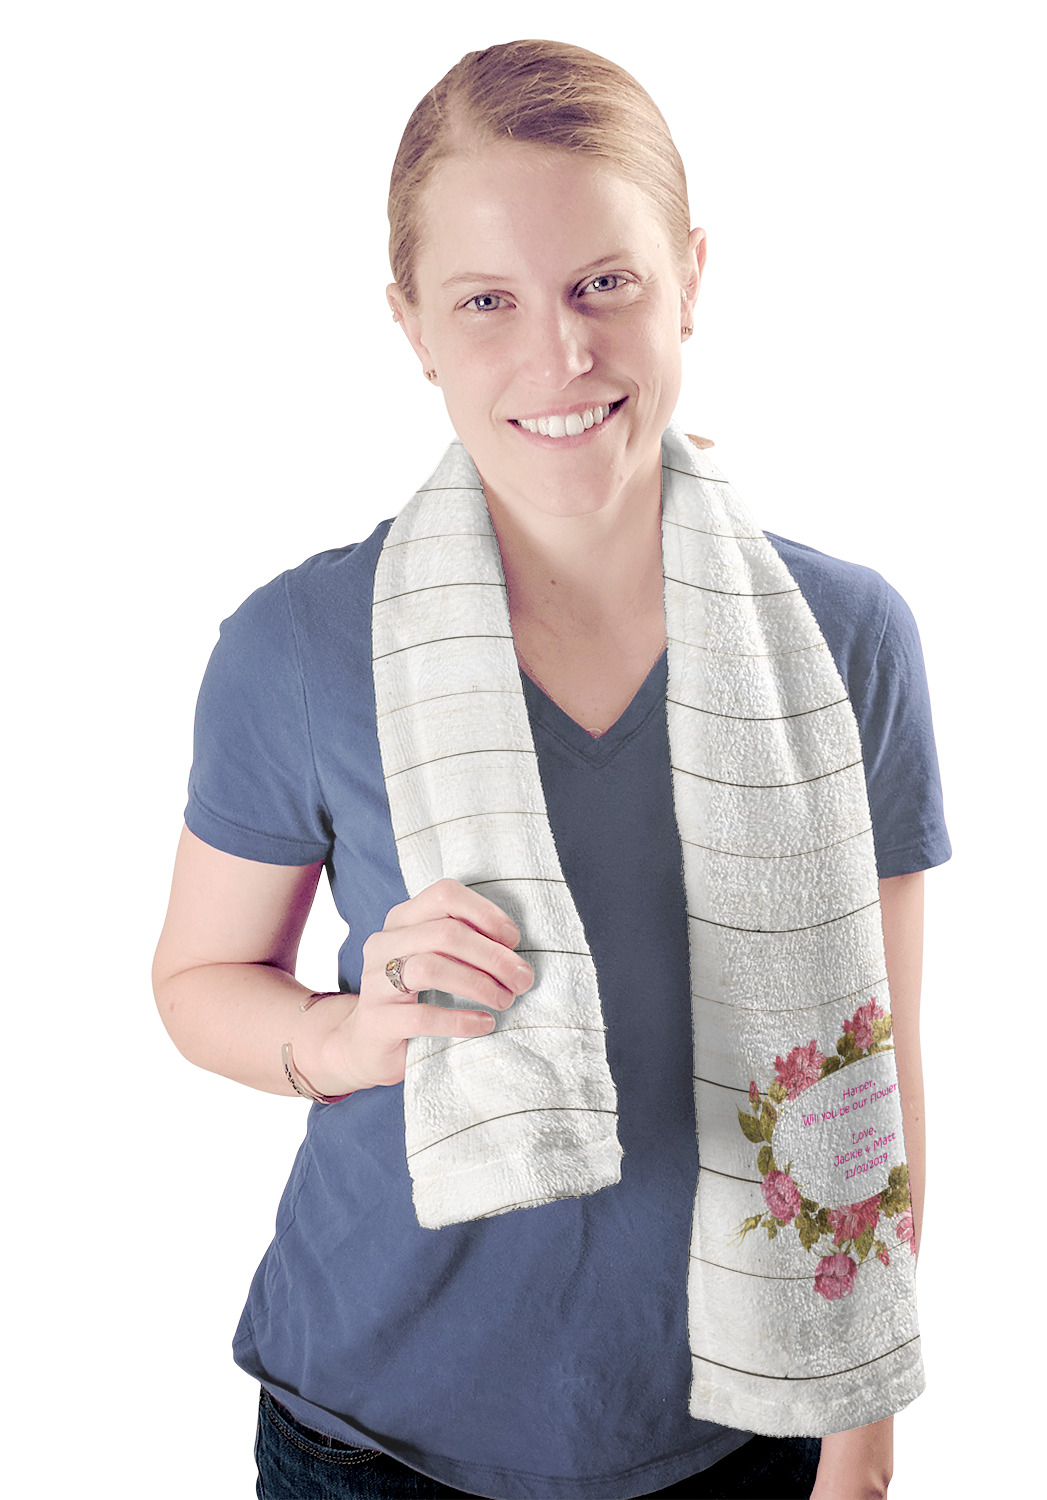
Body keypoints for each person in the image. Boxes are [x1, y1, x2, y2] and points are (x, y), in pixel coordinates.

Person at [153, 39, 950, 1500]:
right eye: (486, 301)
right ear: (411, 322)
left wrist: (860, 1435)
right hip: (368, 1433)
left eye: (605, 282)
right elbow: (199, 982)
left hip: (739, 1419)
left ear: (689, 277)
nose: (560, 354)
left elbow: (878, 1065)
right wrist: (347, 1036)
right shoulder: (298, 646)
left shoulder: (849, 639)